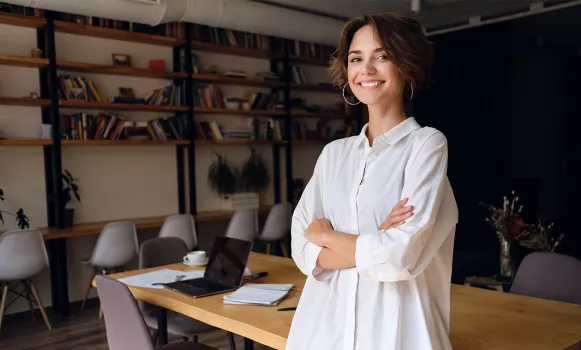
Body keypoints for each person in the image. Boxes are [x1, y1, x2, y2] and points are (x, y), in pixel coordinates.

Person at [287, 12, 459, 350]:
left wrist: (326, 236)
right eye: (356, 58)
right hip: (323, 328)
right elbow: (301, 248)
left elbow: (401, 255)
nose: (366, 69)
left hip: (396, 328)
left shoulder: (427, 144)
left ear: (406, 66)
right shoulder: (334, 154)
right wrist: (375, 239)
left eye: (381, 56)